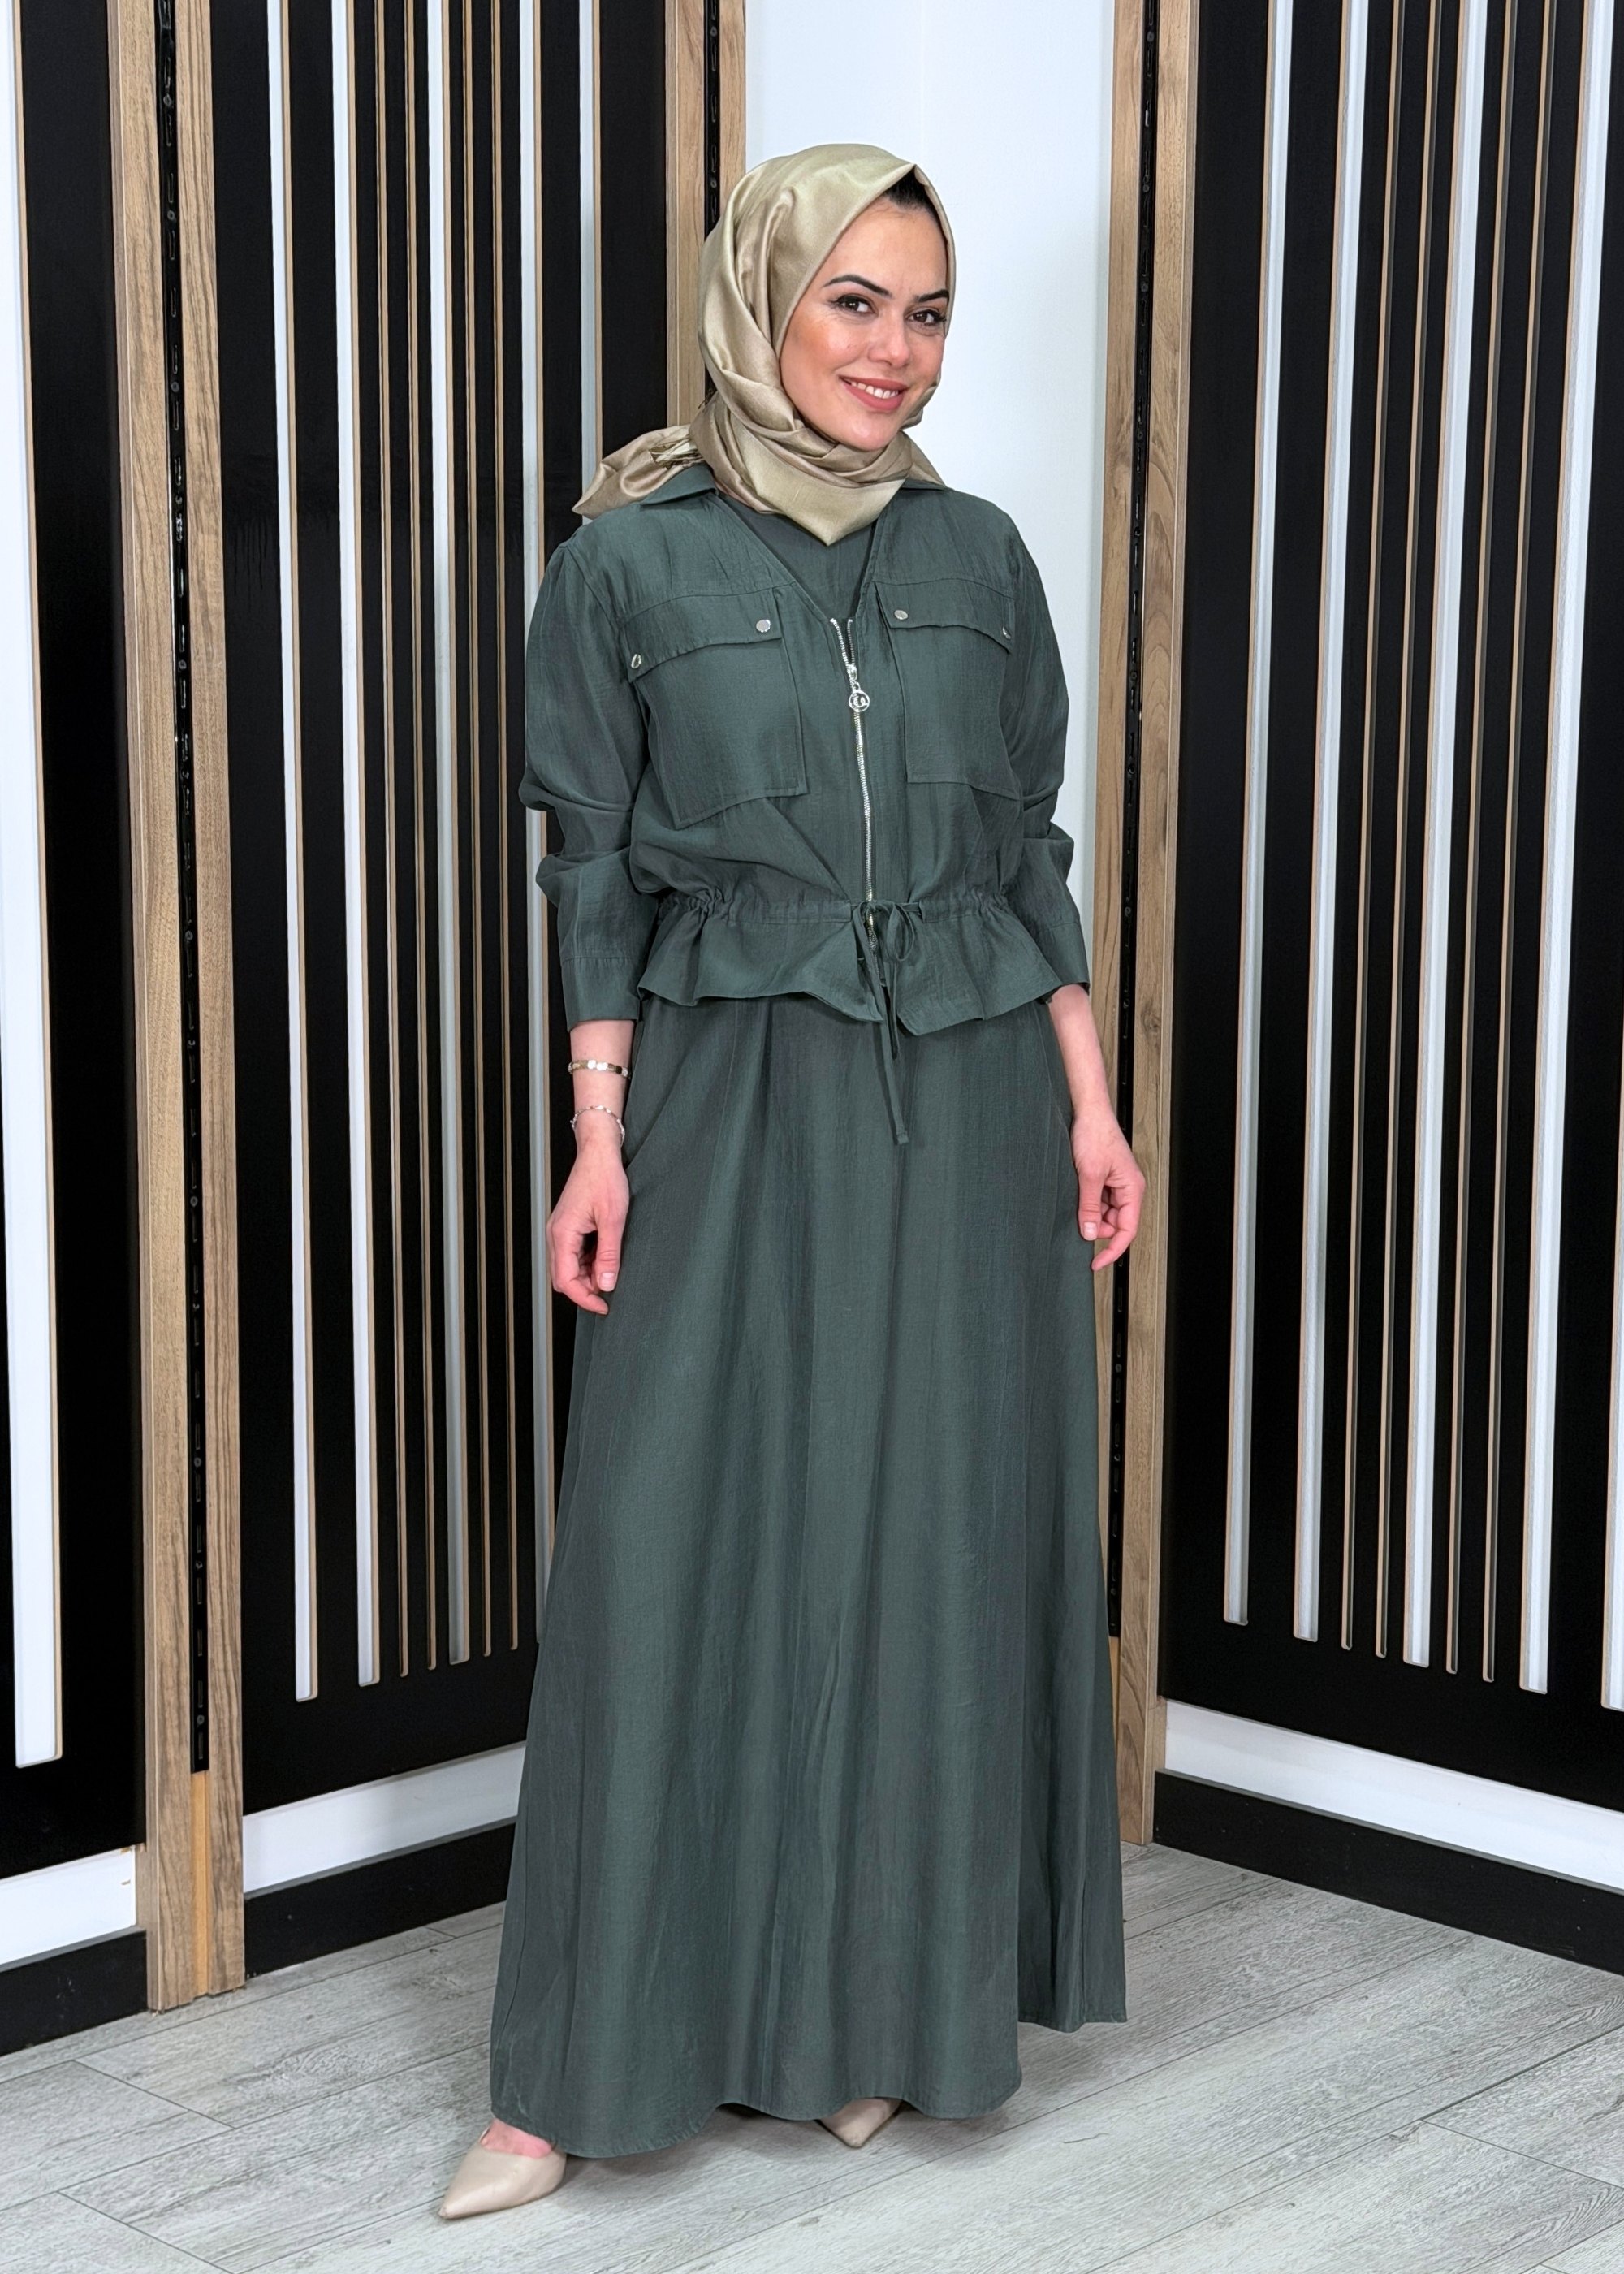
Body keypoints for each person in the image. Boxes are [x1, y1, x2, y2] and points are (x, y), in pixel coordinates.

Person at [439, 141, 1143, 2220]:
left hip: (974, 1102)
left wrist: (1091, 1106)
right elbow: (590, 868)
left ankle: (872, 2019)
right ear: (760, 297)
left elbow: (1023, 852)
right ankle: (566, 2079)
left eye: (925, 312)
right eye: (852, 299)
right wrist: (596, 1135)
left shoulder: (981, 553)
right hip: (732, 1090)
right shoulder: (626, 561)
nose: (892, 350)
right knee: (671, 1543)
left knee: (922, 1543)